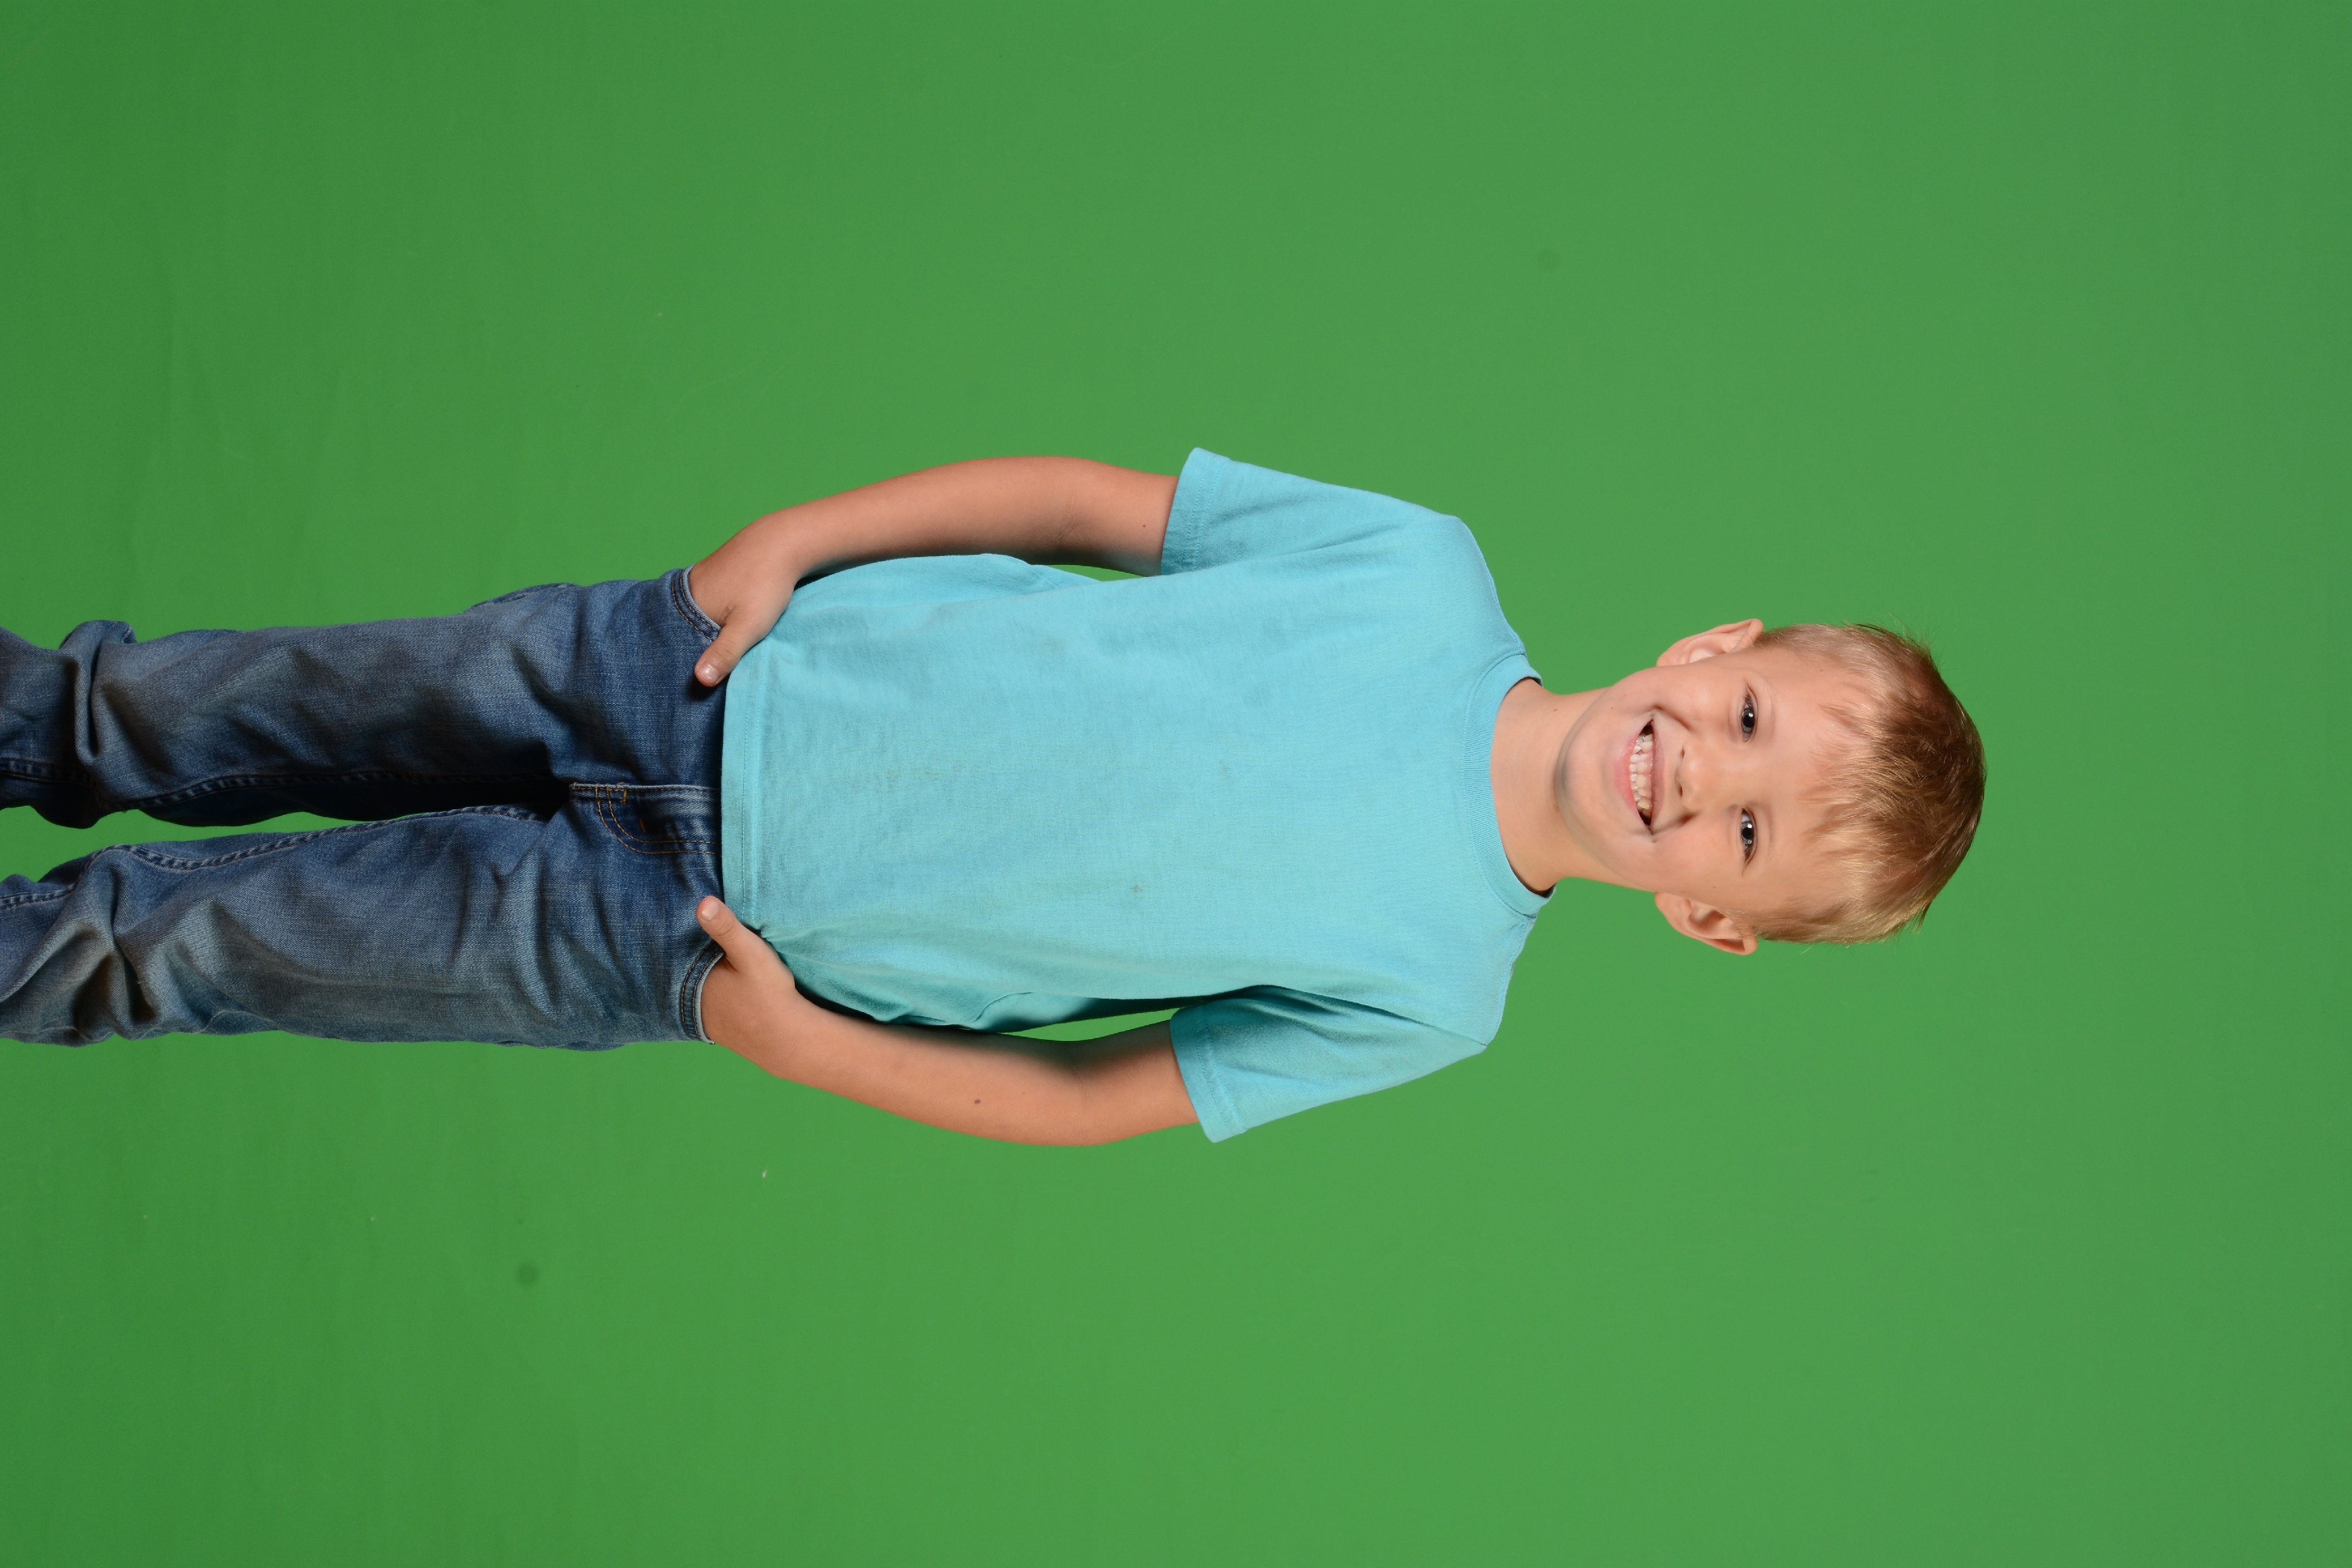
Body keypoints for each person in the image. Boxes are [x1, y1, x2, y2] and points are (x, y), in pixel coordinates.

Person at [0, 452, 1984, 1145]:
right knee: (157, 710)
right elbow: (1081, 507)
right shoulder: (1415, 570)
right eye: (1745, 721)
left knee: (166, 947)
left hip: (681, 937)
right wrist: (790, 543)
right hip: (687, 664)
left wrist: (801, 1046)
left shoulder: (1432, 994)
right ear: (1713, 645)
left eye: (1743, 833)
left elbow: (1092, 1100)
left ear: (1710, 918)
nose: (1696, 774)